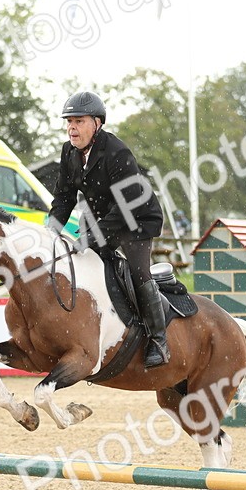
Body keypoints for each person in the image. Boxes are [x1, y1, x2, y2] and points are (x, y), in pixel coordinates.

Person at [46, 91, 169, 368]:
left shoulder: (117, 152)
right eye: (69, 122)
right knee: (84, 266)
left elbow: (125, 207)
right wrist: (51, 231)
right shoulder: (69, 152)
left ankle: (158, 340)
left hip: (136, 218)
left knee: (138, 273)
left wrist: (90, 236)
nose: (72, 128)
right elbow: (63, 197)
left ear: (97, 123)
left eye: (78, 121)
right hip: (102, 216)